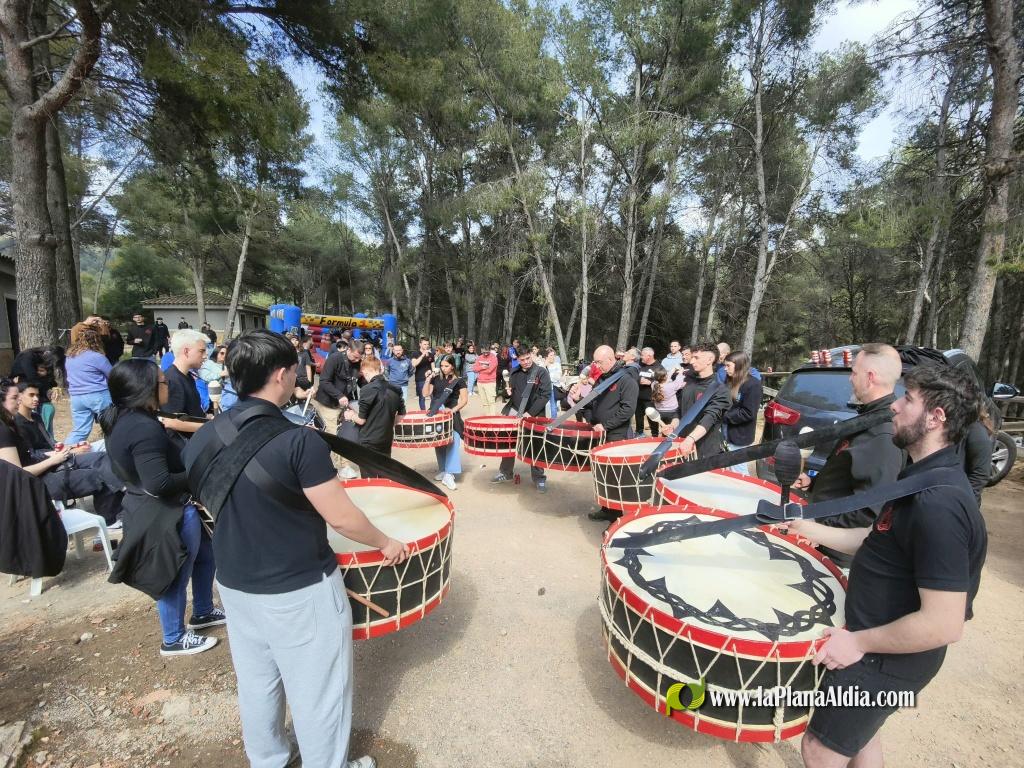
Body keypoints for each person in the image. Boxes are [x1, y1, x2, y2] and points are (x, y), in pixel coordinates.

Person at [184, 330, 404, 768]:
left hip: (234, 585)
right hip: (298, 590)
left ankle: (269, 760)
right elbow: (340, 516)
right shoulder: (297, 439)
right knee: (319, 689)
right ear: (282, 375)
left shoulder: (206, 435)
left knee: (258, 682)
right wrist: (385, 541)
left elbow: (205, 495)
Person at [790, 363, 986, 768]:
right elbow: (877, 540)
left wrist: (857, 643)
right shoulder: (922, 476)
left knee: (821, 747)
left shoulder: (939, 504)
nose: (894, 406)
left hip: (884, 657)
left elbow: (944, 624)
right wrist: (803, 526)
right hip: (878, 648)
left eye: (908, 399)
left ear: (936, 417)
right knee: (862, 740)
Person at [102, 359, 223, 655]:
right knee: (175, 572)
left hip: (159, 505)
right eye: (162, 382)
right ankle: (173, 638)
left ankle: (203, 611)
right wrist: (199, 472)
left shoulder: (128, 418)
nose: (167, 385)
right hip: (164, 512)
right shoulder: (142, 428)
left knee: (205, 556)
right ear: (146, 388)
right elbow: (159, 483)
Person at [794, 343, 905, 565]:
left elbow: (870, 511)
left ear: (870, 377)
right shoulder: (869, 419)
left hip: (837, 554)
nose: (850, 378)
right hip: (824, 540)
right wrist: (814, 484)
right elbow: (851, 477)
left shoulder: (882, 435)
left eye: (854, 372)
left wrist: (820, 531)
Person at [9, 381, 124, 524]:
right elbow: (32, 455)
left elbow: (50, 443)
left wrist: (71, 446)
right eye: (31, 395)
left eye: (37, 395)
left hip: (58, 459)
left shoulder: (36, 417)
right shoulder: (17, 425)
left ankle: (122, 496)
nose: (36, 399)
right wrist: (58, 455)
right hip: (48, 470)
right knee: (101, 475)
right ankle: (112, 519)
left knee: (104, 458)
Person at [583, 346, 639, 522]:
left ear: (610, 359)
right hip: (601, 432)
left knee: (616, 477)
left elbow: (628, 409)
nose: (596, 366)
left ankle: (618, 518)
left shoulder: (626, 379)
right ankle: (607, 509)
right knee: (603, 474)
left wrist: (606, 425)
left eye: (599, 362)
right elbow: (595, 401)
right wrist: (590, 416)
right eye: (595, 362)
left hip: (617, 434)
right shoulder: (603, 378)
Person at [658, 341, 731, 461]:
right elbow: (679, 411)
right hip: (681, 444)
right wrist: (673, 425)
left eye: (696, 358)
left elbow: (709, 419)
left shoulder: (721, 390)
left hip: (705, 451)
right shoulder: (688, 382)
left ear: (709, 360)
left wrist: (690, 439)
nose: (691, 361)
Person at [492, 348, 551, 492]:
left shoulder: (541, 372)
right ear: (517, 359)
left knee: (535, 445)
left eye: (527, 358)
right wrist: (507, 392)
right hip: (514, 411)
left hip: (535, 414)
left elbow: (546, 395)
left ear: (531, 355)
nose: (525, 362)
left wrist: (530, 413)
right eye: (522, 360)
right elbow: (509, 393)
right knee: (509, 442)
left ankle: (539, 478)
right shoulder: (514, 371)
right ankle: (505, 473)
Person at [343, 357, 405, 473]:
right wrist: (388, 423)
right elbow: (401, 415)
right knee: (384, 474)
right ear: (380, 369)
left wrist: (350, 415)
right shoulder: (396, 388)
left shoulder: (366, 389)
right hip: (386, 438)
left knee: (369, 478)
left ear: (365, 371)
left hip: (368, 439)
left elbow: (361, 420)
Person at [316, 341, 363, 476]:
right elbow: (324, 381)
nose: (357, 360)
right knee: (334, 434)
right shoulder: (334, 359)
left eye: (359, 358)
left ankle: (341, 463)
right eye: (354, 357)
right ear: (348, 350)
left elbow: (358, 381)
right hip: (328, 403)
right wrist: (339, 395)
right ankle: (342, 467)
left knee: (344, 434)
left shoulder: (357, 362)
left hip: (343, 404)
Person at [422, 354, 467, 491]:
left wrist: (453, 410)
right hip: (436, 412)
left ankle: (449, 473)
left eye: (446, 366)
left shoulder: (459, 381)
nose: (443, 368)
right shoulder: (436, 378)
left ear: (453, 366)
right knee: (439, 442)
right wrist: (428, 379)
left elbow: (464, 400)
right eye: (441, 365)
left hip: (451, 413)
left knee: (454, 440)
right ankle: (443, 469)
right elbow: (425, 394)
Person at [65, 326, 113, 444]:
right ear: (97, 341)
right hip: (97, 394)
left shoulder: (70, 357)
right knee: (112, 425)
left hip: (76, 397)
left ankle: (64, 453)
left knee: (80, 430)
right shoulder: (97, 357)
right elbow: (112, 375)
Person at [161, 329, 210, 437]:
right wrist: (210, 426)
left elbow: (190, 413)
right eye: (201, 351)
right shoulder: (172, 380)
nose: (205, 356)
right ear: (186, 351)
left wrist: (207, 418)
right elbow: (171, 422)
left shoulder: (187, 376)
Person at [722, 351, 763, 476]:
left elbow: (748, 412)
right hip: (726, 434)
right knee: (729, 469)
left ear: (739, 365)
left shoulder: (753, 385)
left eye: (728, 365)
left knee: (739, 472)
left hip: (740, 436)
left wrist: (724, 416)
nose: (725, 369)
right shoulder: (729, 380)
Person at [635, 347, 664, 437]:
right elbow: (635, 374)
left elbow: (663, 382)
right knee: (638, 416)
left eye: (643, 355)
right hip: (639, 396)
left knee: (652, 417)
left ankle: (654, 434)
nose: (641, 357)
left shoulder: (659, 367)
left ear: (649, 356)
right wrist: (638, 379)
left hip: (650, 398)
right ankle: (639, 433)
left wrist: (650, 382)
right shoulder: (640, 365)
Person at [472, 343, 500, 415]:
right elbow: (474, 369)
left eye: (487, 351)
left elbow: (490, 370)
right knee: (484, 402)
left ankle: (492, 417)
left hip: (490, 382)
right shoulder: (479, 357)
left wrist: (480, 369)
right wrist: (482, 367)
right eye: (484, 352)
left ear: (490, 350)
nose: (485, 353)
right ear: (481, 350)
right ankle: (487, 417)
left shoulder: (494, 357)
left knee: (491, 401)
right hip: (480, 382)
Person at [411, 338, 435, 410]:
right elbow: (414, 364)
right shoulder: (415, 353)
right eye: (425, 344)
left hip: (431, 378)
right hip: (420, 378)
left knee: (433, 396)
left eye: (428, 344)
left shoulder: (431, 354)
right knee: (422, 397)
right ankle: (423, 412)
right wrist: (422, 355)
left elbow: (433, 366)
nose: (426, 346)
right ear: (420, 344)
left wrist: (434, 372)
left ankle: (431, 410)